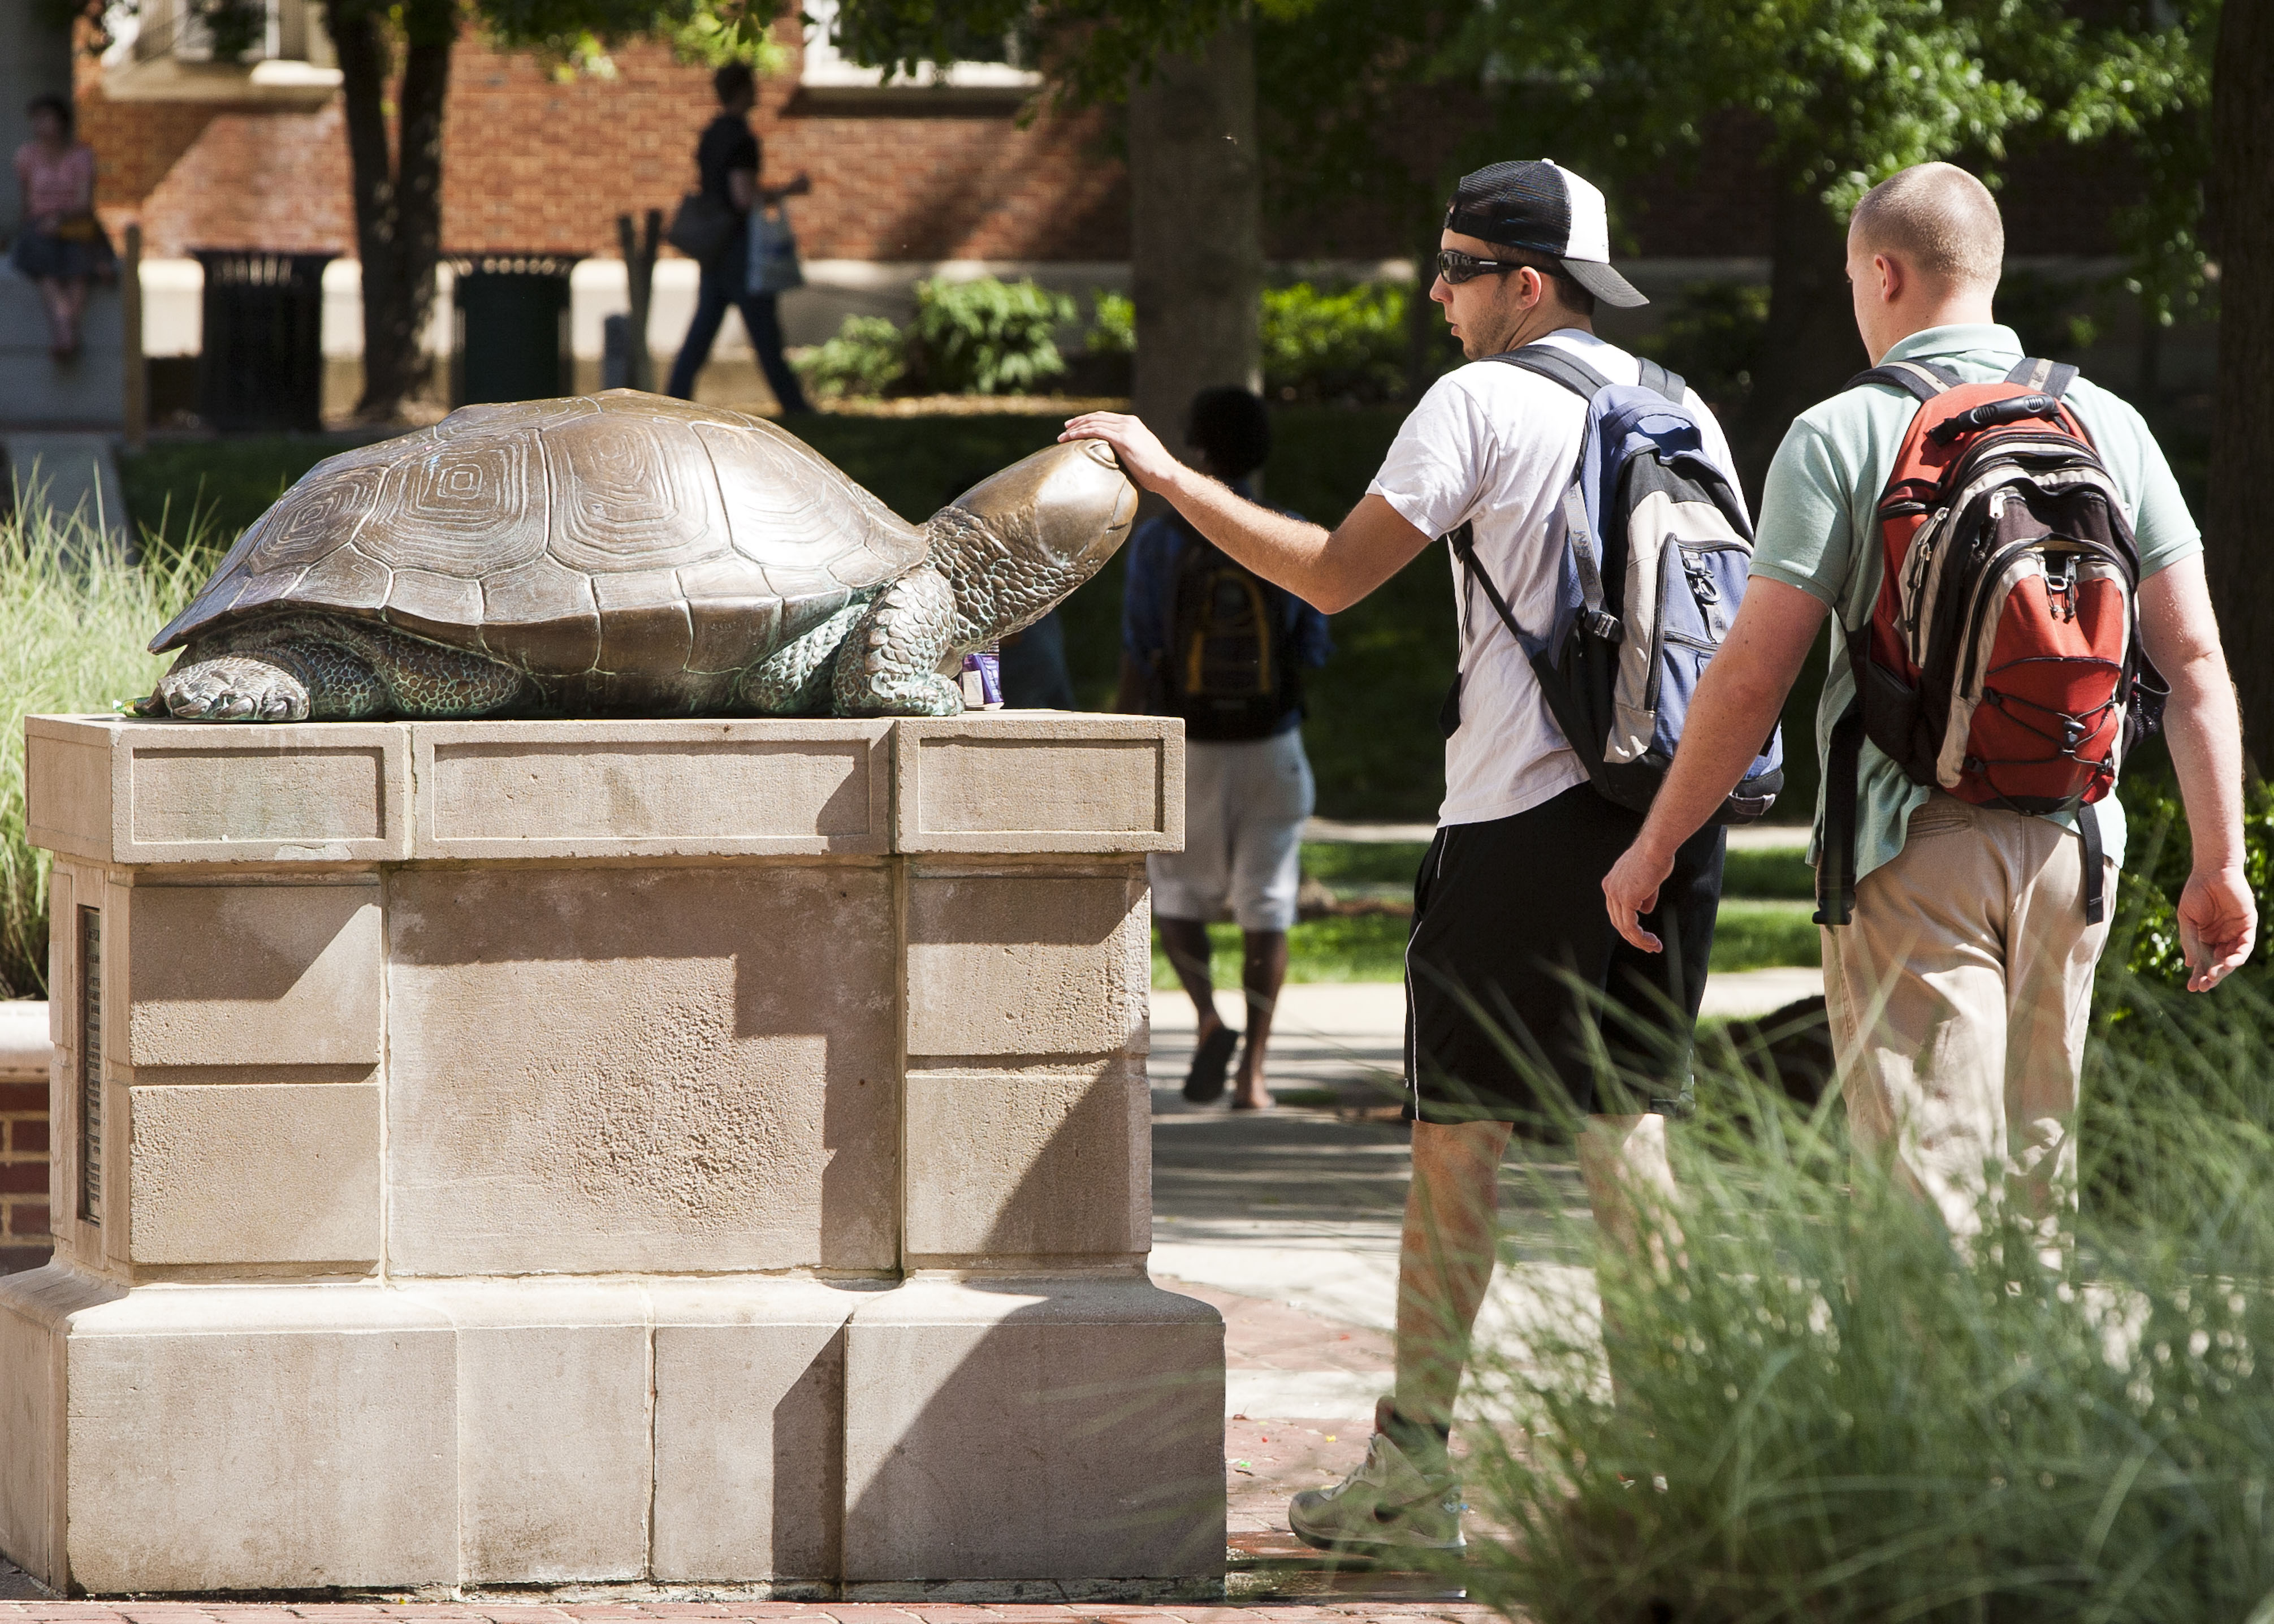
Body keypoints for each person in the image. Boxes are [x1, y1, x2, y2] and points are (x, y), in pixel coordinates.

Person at [1066, 160, 1737, 1553]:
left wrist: (1163, 470)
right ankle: (1679, 1465)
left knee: (1457, 1150)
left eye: (1453, 265)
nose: (1434, 292)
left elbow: (1325, 571)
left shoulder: (1481, 401)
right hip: (1670, 815)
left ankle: (1412, 1474)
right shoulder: (1682, 409)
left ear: (1524, 282)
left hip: (1517, 825)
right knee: (1634, 1142)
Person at [1601, 162, 2257, 1254]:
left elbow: (1754, 668)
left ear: (1883, 272)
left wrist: (1658, 840)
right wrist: (2217, 859)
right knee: (2037, 1184)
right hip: (2074, 841)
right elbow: (2191, 658)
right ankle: (2032, 1418)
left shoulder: (1840, 432)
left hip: (1908, 839)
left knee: (1929, 1198)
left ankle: (1936, 1430)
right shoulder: (2108, 421)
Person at [1116, 386, 1331, 1112]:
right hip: (1273, 745)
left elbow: (1142, 651)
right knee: (1267, 904)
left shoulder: (1159, 540)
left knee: (1174, 892)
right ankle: (1255, 1076)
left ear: (1198, 449)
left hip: (1189, 743)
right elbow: (1314, 647)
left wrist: (1128, 733)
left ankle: (1210, 1018)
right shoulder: (1289, 530)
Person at [665, 63, 812, 416]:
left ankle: (671, 400)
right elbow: (743, 198)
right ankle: (796, 408)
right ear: (744, 90)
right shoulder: (741, 139)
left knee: (701, 334)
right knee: (765, 334)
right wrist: (789, 190)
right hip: (738, 250)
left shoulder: (711, 134)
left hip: (715, 250)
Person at [10, 94, 114, 360]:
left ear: (61, 122)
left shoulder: (81, 156)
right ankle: (65, 332)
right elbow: (27, 204)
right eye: (37, 119)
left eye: (46, 118)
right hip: (40, 225)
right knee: (45, 264)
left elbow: (84, 203)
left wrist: (62, 220)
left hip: (75, 223)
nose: (40, 125)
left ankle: (66, 332)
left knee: (79, 266)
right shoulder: (26, 156)